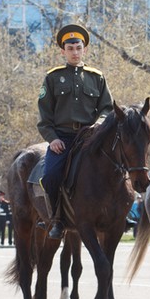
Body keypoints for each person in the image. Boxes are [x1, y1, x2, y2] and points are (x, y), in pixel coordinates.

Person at [38, 24, 114, 239]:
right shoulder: (52, 78)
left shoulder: (96, 77)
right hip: (62, 139)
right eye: (70, 48)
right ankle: (57, 220)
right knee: (51, 176)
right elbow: (44, 117)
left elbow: (107, 107)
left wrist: (99, 123)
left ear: (84, 50)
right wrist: (52, 139)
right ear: (63, 51)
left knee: (119, 166)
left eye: (78, 48)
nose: (74, 52)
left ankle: (118, 214)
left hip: (92, 138)